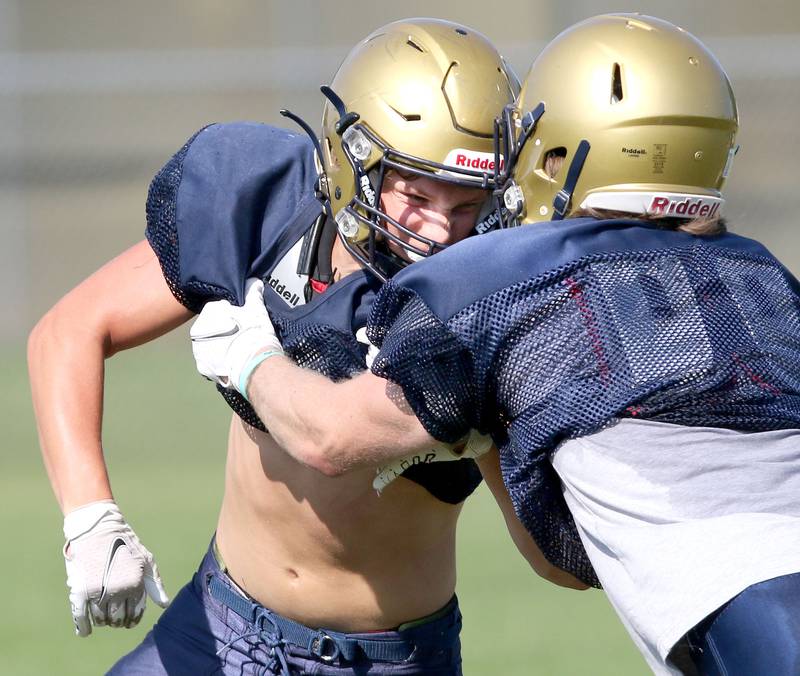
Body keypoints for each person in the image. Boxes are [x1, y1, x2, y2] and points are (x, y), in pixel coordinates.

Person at [192, 14, 800, 676]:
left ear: (557, 151)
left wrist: (246, 354)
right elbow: (571, 558)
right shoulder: (766, 281)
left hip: (758, 616)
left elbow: (330, 439)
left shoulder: (512, 286)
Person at [27, 18, 532, 675]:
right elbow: (69, 331)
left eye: (467, 203)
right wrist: (91, 518)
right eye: (415, 192)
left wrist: (501, 428)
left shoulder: (496, 299)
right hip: (222, 625)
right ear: (355, 159)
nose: (438, 227)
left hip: (390, 658)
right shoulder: (268, 209)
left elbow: (552, 557)